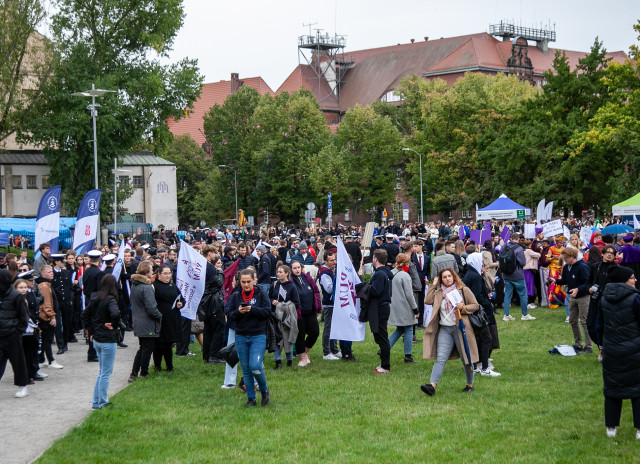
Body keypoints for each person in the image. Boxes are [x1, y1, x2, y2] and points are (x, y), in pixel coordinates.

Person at [421, 268, 479, 396]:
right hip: (445, 330)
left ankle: (469, 385)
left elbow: (475, 305)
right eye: (444, 277)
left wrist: (463, 307)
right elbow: (427, 301)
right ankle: (432, 386)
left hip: (461, 329)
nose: (447, 279)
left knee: (466, 358)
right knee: (441, 358)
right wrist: (433, 285)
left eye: (449, 276)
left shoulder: (463, 290)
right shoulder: (439, 293)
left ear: (454, 277)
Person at [598, 266, 640, 439]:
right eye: (632, 277)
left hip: (611, 349)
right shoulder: (635, 298)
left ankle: (611, 428)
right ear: (624, 280)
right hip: (635, 349)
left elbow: (598, 326)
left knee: (612, 388)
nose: (635, 280)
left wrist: (602, 347)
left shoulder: (603, 298)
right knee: (637, 389)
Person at [227, 268, 271, 407]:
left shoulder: (261, 294)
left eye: (249, 282)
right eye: (243, 282)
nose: (246, 285)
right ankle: (251, 398)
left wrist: (252, 309)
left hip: (258, 335)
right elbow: (228, 313)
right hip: (240, 335)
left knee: (255, 365)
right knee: (246, 368)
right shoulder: (235, 295)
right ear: (239, 281)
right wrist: (239, 312)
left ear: (254, 280)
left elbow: (267, 312)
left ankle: (264, 390)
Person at [82, 275, 121, 409]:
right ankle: (102, 401)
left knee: (102, 372)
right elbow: (115, 314)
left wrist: (91, 332)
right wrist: (114, 325)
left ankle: (96, 401)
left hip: (97, 338)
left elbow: (85, 315)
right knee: (105, 373)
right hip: (107, 339)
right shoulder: (110, 299)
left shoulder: (96, 298)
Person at [463, 253, 501, 377]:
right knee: (486, 338)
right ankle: (483, 366)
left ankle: (477, 365)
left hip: (476, 311)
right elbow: (477, 296)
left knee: (480, 339)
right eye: (482, 261)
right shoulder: (475, 276)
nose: (484, 264)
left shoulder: (471, 273)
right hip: (480, 312)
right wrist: (487, 304)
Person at [549, 246, 592, 353]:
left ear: (572, 257)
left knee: (584, 321)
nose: (564, 260)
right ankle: (578, 344)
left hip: (583, 297)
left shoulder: (582, 266)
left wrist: (578, 289)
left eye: (565, 258)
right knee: (573, 320)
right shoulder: (567, 267)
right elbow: (564, 280)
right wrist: (554, 281)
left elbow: (588, 283)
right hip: (572, 297)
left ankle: (588, 346)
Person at [128, 261, 162, 382]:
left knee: (142, 347)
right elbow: (151, 307)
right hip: (147, 322)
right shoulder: (146, 287)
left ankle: (134, 373)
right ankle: (143, 372)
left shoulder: (135, 285)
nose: (153, 271)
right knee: (147, 348)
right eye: (151, 269)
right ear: (147, 271)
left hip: (138, 321)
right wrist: (159, 316)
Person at [0, 270, 30, 398]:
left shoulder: (16, 296)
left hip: (13, 335)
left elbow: (24, 317)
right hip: (0, 335)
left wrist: (17, 332)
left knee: (18, 363)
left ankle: (23, 386)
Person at [388, 253, 419, 364]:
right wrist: (415, 309)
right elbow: (409, 295)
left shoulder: (391, 273)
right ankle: (408, 356)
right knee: (409, 329)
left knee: (400, 329)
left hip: (394, 305)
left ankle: (385, 348)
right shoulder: (405, 276)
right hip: (405, 306)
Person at [152, 265, 183, 372]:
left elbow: (181, 298)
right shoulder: (154, 286)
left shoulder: (173, 286)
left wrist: (180, 304)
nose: (168, 276)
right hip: (159, 319)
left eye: (169, 273)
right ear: (159, 274)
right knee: (159, 344)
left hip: (172, 319)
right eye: (165, 273)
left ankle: (169, 367)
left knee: (168, 344)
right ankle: (157, 366)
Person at [290, 260, 321, 367]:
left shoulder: (307, 278)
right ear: (291, 270)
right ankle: (301, 358)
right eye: (294, 268)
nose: (297, 270)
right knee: (300, 335)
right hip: (298, 313)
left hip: (310, 311)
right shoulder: (291, 281)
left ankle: (305, 352)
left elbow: (316, 292)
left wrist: (317, 307)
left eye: (298, 267)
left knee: (315, 332)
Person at [369, 249, 394, 373]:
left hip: (380, 307)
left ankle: (385, 366)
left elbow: (375, 291)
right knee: (379, 336)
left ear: (375, 259)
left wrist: (366, 287)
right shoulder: (385, 273)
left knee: (382, 337)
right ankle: (384, 364)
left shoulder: (380, 274)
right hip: (382, 306)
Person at [501, 233, 535, 321]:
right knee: (523, 294)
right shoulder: (519, 248)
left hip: (506, 274)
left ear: (511, 238)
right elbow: (523, 262)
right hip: (517, 274)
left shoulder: (504, 246)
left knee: (508, 294)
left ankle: (506, 315)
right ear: (518, 239)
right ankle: (525, 315)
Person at [36, 265, 63, 369]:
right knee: (47, 340)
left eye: (52, 271)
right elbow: (46, 304)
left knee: (45, 340)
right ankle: (51, 361)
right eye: (49, 272)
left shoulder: (47, 284)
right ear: (43, 274)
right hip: (45, 317)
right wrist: (52, 316)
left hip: (46, 316)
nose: (52, 273)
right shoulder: (43, 286)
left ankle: (42, 360)